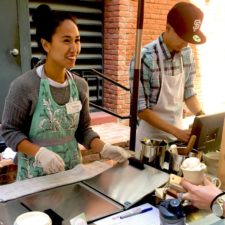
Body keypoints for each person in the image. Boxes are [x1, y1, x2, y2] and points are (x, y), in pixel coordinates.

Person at [0, 4, 129, 181]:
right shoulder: (24, 86)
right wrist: (39, 153)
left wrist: (104, 148)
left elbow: (83, 130)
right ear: (46, 44)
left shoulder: (80, 86)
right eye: (66, 40)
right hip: (34, 177)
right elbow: (9, 131)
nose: (74, 48)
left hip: (72, 172)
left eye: (77, 40)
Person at [129, 2, 206, 153]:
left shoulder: (187, 53)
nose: (185, 43)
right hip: (149, 143)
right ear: (168, 28)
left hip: (176, 140)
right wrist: (177, 132)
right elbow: (141, 109)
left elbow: (188, 92)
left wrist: (202, 118)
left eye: (189, 39)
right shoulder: (145, 57)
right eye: (182, 37)